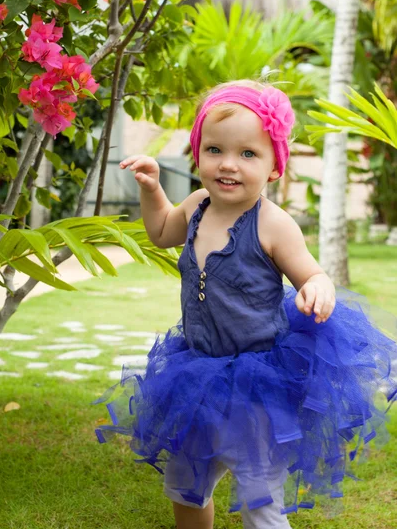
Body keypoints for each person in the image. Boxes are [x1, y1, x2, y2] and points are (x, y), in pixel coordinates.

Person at [95, 80, 397, 529]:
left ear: (275, 167)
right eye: (215, 150)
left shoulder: (273, 224)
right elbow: (161, 233)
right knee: (186, 483)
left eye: (249, 154)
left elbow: (310, 272)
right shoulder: (198, 205)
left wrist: (318, 288)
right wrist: (152, 189)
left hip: (258, 381)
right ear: (198, 153)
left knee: (259, 494)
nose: (228, 165)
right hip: (197, 372)